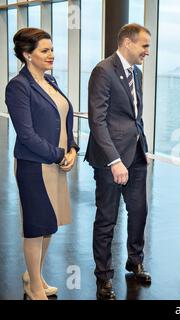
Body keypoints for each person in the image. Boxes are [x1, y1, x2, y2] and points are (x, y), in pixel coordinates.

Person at [5, 28, 79, 300]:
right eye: (44, 50)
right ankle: (33, 286)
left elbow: (65, 118)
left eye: (52, 49)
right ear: (27, 55)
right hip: (34, 165)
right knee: (36, 227)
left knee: (49, 224)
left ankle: (33, 274)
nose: (51, 55)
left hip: (57, 162)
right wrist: (59, 154)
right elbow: (25, 134)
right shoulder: (18, 87)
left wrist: (71, 147)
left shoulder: (51, 81)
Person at [85, 23, 152, 300]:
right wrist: (114, 160)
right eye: (144, 46)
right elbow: (97, 120)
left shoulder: (135, 72)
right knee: (107, 218)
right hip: (110, 159)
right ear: (127, 42)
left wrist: (142, 147)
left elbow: (132, 116)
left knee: (139, 211)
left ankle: (134, 260)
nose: (147, 52)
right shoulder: (103, 70)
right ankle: (103, 277)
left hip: (135, 155)